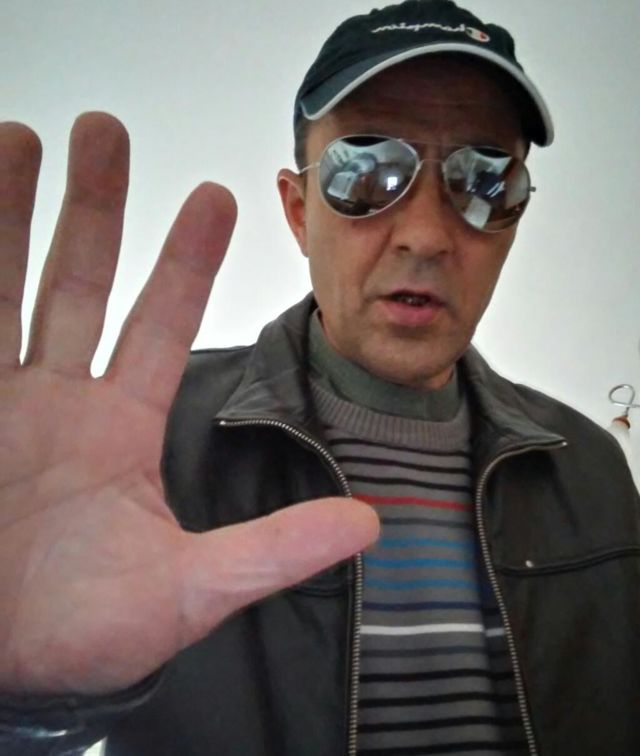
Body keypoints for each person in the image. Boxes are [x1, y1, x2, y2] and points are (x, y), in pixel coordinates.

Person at [0, 1, 639, 754]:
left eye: (484, 181)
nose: (427, 235)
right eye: (366, 172)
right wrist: (29, 705)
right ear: (300, 212)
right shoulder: (148, 446)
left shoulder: (592, 469)